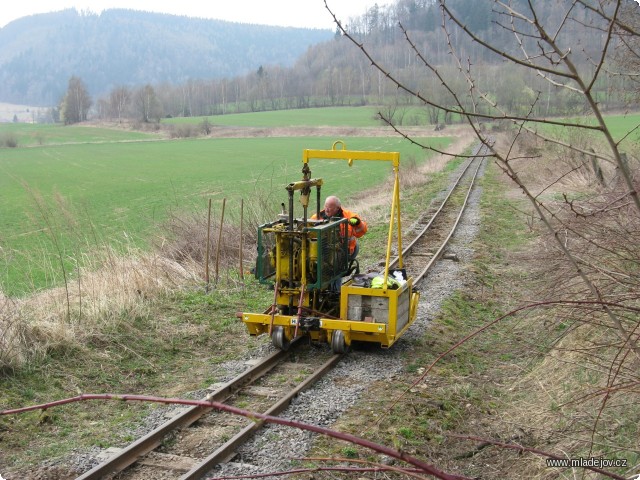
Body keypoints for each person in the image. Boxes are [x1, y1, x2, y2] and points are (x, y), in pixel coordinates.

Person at [312, 196, 367, 260]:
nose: (326, 210)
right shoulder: (316, 218)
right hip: (323, 252)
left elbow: (362, 230)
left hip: (345, 251)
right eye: (325, 206)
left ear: (337, 208)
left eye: (329, 207)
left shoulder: (348, 216)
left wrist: (358, 224)